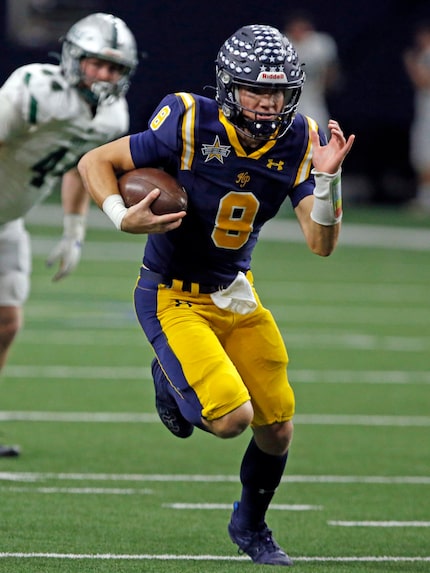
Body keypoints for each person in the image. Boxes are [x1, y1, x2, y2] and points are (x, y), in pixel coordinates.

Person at [78, 24, 354, 566]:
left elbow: (320, 244)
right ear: (229, 85)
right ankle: (167, 376)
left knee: (276, 426)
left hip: (235, 291)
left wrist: (328, 182)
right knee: (232, 420)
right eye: (255, 88)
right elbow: (96, 163)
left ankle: (250, 525)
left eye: (276, 91)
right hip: (171, 293)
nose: (268, 102)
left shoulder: (299, 138)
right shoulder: (188, 119)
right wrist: (120, 216)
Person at [0, 12, 138, 457]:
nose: (104, 74)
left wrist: (74, 228)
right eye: (96, 62)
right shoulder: (34, 88)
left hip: (7, 221)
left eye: (114, 67)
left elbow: (84, 168)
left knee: (6, 322)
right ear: (73, 56)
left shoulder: (112, 114)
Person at [284, 11, 340, 134]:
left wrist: (323, 87)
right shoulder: (282, 44)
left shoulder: (320, 44)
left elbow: (332, 72)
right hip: (288, 103)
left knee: (319, 134)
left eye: (302, 28)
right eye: (295, 28)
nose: (298, 31)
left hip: (314, 100)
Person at [403, 21, 430, 212]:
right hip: (424, 111)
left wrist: (410, 62)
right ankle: (424, 197)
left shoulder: (426, 55)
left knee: (424, 155)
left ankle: (425, 199)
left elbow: (422, 81)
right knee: (421, 156)